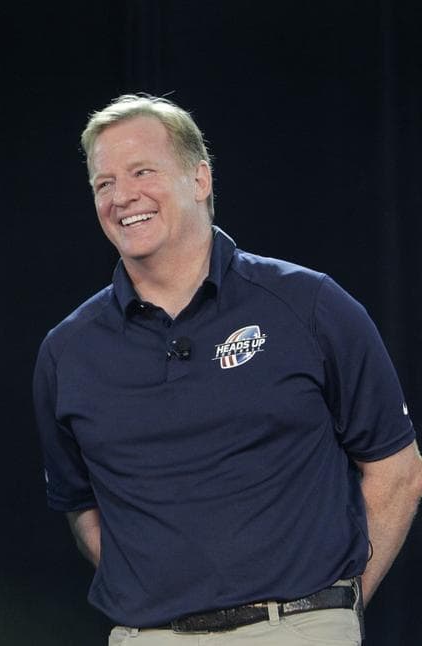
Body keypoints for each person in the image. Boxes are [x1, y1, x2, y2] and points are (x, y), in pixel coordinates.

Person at [32, 94, 422, 645]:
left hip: (299, 627)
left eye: (142, 171)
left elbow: (396, 470)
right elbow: (82, 508)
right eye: (104, 183)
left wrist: (339, 607)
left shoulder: (308, 305)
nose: (122, 197)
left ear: (200, 179)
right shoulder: (67, 352)